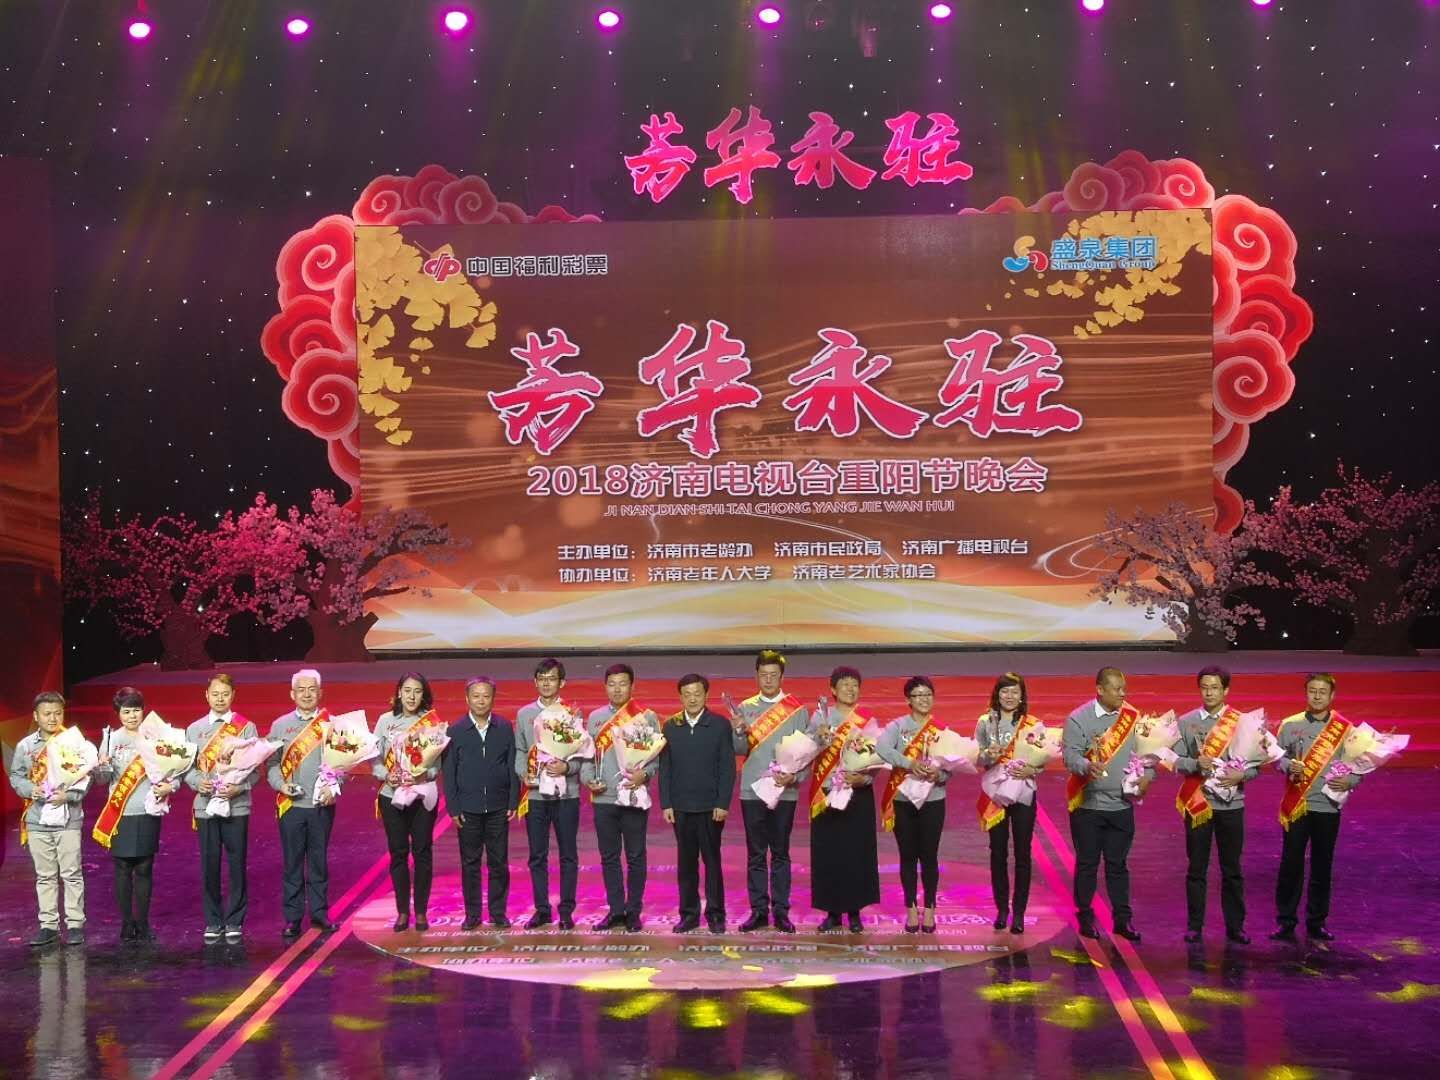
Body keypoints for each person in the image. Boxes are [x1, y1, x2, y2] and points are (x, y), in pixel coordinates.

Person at [1062, 667, 1153, 943]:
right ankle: (1085, 917)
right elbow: (1070, 756)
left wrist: (1147, 777)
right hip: (1088, 809)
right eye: (1117, 689)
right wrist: (1086, 766)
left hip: (1121, 808)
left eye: (1124, 688)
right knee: (1087, 864)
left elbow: (1148, 755)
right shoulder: (1078, 719)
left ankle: (1123, 920)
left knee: (1118, 865)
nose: (1123, 694)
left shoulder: (1132, 718)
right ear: (1100, 690)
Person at [1272, 672, 1360, 942]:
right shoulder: (1290, 724)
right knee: (1291, 864)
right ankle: (1286, 920)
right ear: (1306, 693)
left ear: (1332, 695)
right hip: (1297, 804)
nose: (1317, 696)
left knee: (1323, 865)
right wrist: (1288, 766)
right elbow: (1275, 757)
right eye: (1312, 691)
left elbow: (1360, 764)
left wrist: (1352, 780)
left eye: (1323, 691)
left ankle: (1317, 921)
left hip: (1328, 806)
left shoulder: (1345, 729)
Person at [1172, 665, 1255, 945]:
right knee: (1196, 868)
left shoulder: (1242, 723)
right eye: (1205, 688)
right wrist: (1195, 763)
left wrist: (1243, 775)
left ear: (1226, 690)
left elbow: (1256, 764)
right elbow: (1175, 760)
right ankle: (1194, 926)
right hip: (1199, 805)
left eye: (1215, 688)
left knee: (1232, 869)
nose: (1209, 693)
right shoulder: (1186, 722)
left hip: (1232, 807)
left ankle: (1236, 926)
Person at [729, 649, 810, 934]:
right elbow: (738, 750)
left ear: (782, 676)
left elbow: (808, 754)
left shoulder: (797, 710)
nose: (768, 680)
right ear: (756, 676)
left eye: (773, 675)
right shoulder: (745, 707)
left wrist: (795, 777)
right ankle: (759, 911)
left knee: (780, 853)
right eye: (763, 675)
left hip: (784, 791)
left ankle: (781, 911)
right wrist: (738, 731)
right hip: (752, 791)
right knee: (755, 853)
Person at [92, 687, 178, 944]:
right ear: (118, 713)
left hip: (148, 809)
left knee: (145, 866)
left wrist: (171, 785)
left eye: (136, 710)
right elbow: (101, 780)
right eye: (126, 711)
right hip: (121, 811)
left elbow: (174, 769)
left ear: (143, 711)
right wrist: (102, 767)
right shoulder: (111, 738)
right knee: (122, 867)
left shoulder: (155, 735)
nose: (132, 716)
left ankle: (143, 922)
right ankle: (127, 922)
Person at [581, 663, 657, 932]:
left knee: (635, 856)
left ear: (632, 686)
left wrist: (645, 775)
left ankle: (633, 911)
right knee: (609, 857)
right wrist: (589, 779)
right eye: (612, 684)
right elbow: (587, 756)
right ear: (605, 687)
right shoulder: (595, 718)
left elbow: (655, 757)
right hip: (604, 798)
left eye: (622, 684)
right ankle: (615, 910)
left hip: (634, 796)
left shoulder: (646, 717)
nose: (617, 689)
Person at [9, 692, 89, 947]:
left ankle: (75, 925)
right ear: (36, 716)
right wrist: (29, 789)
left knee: (71, 873)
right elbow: (16, 776)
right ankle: (48, 926)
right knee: (45, 875)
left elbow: (86, 777)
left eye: (58, 713)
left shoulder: (73, 743)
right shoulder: (25, 746)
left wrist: (70, 795)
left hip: (68, 817)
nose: (53, 718)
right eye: (47, 714)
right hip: (37, 818)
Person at [658, 673, 735, 934]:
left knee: (712, 862)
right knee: (686, 864)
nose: (692, 699)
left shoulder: (719, 725)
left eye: (697, 694)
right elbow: (665, 769)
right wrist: (666, 803)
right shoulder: (671, 727)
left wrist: (722, 803)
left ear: (706, 695)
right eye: (687, 694)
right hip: (681, 808)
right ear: (680, 697)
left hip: (710, 808)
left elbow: (727, 768)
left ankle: (716, 914)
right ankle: (689, 914)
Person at [184, 673, 258, 944]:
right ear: (206, 695)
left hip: (237, 806)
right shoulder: (194, 730)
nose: (219, 699)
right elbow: (186, 769)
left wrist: (239, 787)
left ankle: (235, 920)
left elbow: (255, 770)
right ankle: (213, 920)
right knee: (209, 864)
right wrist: (197, 783)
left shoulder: (246, 728)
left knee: (237, 864)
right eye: (215, 694)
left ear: (233, 696)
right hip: (206, 807)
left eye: (225, 694)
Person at [807, 666, 881, 933]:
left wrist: (864, 779)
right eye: (845, 684)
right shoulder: (821, 717)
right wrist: (818, 738)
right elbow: (806, 750)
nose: (850, 689)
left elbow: (876, 758)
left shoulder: (867, 721)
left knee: (856, 852)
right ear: (833, 689)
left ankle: (855, 911)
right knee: (829, 852)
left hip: (857, 792)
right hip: (827, 792)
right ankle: (832, 912)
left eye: (854, 685)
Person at [266, 668, 339, 938]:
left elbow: (343, 761)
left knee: (319, 862)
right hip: (291, 806)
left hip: (321, 806)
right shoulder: (280, 726)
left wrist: (334, 787)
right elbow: (271, 763)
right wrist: (280, 785)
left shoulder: (331, 724)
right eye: (301, 690)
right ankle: (293, 918)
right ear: (292, 694)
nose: (307, 695)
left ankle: (320, 914)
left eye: (312, 690)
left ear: (320, 693)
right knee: (292, 863)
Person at [514, 658, 586, 930]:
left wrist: (567, 767)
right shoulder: (524, 714)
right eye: (541, 678)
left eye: (551, 678)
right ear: (535, 682)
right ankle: (542, 909)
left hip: (566, 795)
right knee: (537, 855)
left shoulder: (572, 713)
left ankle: (566, 910)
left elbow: (581, 753)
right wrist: (524, 774)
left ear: (561, 682)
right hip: (535, 796)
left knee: (568, 854)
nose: (546, 683)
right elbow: (520, 750)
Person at [442, 676, 517, 930]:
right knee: (470, 863)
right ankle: (472, 914)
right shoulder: (455, 731)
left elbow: (511, 767)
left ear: (493, 699)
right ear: (467, 699)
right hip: (468, 810)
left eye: (486, 696)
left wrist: (512, 800)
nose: (481, 701)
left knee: (499, 863)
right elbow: (449, 773)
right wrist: (453, 807)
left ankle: (498, 913)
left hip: (498, 807)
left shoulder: (504, 728)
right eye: (476, 696)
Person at [878, 675, 950, 934]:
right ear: (908, 699)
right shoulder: (898, 727)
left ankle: (929, 909)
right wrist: (909, 764)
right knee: (907, 855)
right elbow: (882, 748)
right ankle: (910, 908)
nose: (923, 699)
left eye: (927, 694)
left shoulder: (942, 730)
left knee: (929, 856)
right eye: (918, 695)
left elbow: (952, 764)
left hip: (933, 799)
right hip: (903, 799)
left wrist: (939, 774)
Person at [974, 673, 1043, 936]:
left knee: (1023, 853)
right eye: (1005, 691)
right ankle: (1002, 909)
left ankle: (1019, 913)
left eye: (1015, 691)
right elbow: (977, 758)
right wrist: (987, 755)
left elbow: (1042, 759)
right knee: (998, 852)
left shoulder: (1032, 724)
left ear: (1022, 696)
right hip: (996, 794)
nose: (1010, 696)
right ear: (997, 694)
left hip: (1023, 793)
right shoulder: (985, 722)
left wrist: (1033, 770)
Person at [373, 672, 441, 932]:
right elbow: (374, 758)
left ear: (424, 695)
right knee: (398, 853)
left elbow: (437, 766)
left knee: (422, 852)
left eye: (417, 691)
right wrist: (385, 775)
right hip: (392, 796)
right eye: (408, 691)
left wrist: (424, 774)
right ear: (399, 693)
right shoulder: (385, 721)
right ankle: (402, 911)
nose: (412, 696)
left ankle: (421, 911)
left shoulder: (431, 722)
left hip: (422, 796)